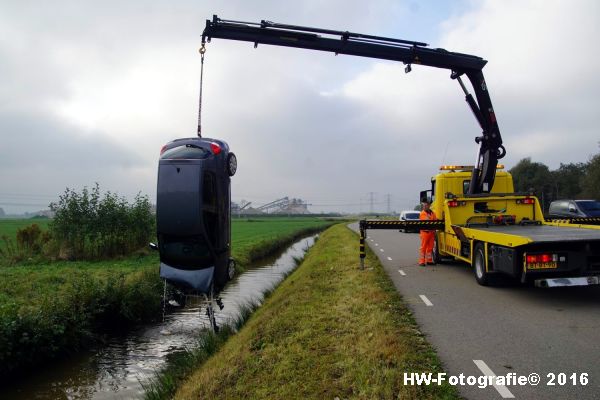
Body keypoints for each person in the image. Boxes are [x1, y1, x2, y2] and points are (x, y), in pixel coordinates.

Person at [419, 199, 437, 266]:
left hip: (431, 232)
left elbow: (435, 222)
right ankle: (421, 261)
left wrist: (434, 231)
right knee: (423, 247)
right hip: (425, 232)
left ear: (429, 206)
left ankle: (429, 260)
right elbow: (428, 220)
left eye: (426, 205)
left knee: (430, 247)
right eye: (424, 205)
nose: (424, 207)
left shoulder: (433, 213)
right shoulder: (422, 213)